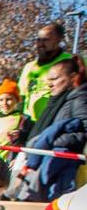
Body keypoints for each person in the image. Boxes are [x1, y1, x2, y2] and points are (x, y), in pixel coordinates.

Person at [20, 57, 87, 201]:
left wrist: (56, 141)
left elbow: (84, 131)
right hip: (50, 157)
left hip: (63, 161)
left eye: (55, 79)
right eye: (48, 79)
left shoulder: (79, 98)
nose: (50, 84)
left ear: (73, 77)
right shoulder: (62, 100)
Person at [19, 22, 76, 122]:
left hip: (57, 122)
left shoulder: (71, 61)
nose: (41, 44)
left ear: (58, 40)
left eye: (46, 40)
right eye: (38, 40)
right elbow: (21, 97)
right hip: (30, 125)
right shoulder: (29, 67)